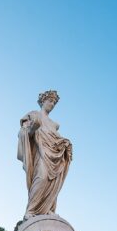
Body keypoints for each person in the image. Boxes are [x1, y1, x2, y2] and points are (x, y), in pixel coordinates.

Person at [17, 90, 73, 218]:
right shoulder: (33, 115)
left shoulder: (54, 124)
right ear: (43, 101)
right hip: (41, 153)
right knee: (41, 177)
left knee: (52, 182)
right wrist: (33, 128)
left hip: (55, 156)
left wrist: (65, 144)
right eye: (50, 101)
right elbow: (23, 132)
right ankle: (31, 210)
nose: (52, 104)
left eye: (54, 103)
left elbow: (56, 140)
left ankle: (48, 208)